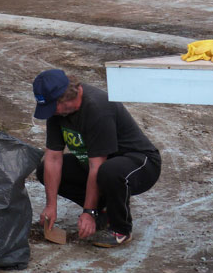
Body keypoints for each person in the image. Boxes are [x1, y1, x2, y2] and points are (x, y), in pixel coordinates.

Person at [33, 68, 161, 247]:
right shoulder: (56, 113)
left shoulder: (97, 107)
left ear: (64, 98)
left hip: (140, 164)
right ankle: (105, 211)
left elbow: (97, 166)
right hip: (100, 165)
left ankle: (121, 229)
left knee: (109, 172)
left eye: (50, 107)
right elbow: (53, 158)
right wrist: (50, 206)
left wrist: (88, 212)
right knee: (43, 169)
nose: (49, 113)